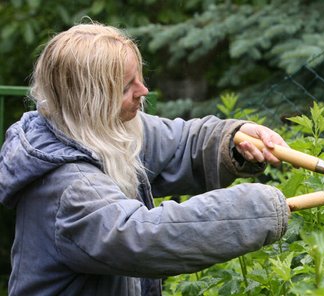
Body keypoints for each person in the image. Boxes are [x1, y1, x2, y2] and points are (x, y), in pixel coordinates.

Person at [0, 22, 290, 295]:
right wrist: (257, 209)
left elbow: (178, 142)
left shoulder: (98, 129)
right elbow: (146, 237)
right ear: (92, 101)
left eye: (139, 78)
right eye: (127, 87)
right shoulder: (69, 188)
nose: (143, 91)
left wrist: (231, 139)